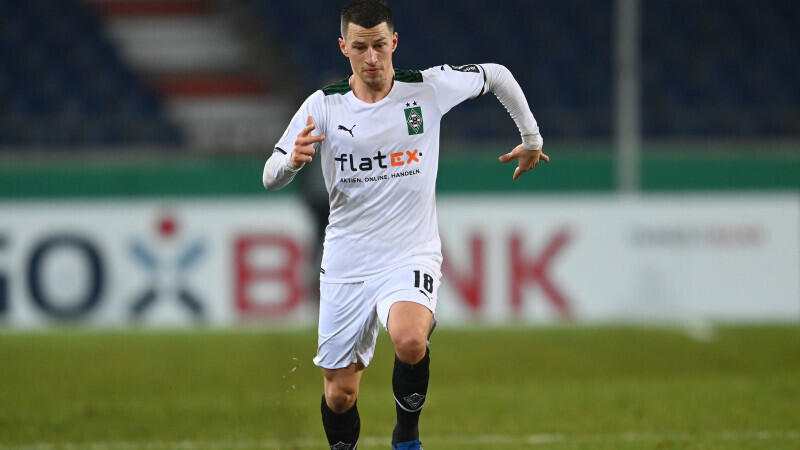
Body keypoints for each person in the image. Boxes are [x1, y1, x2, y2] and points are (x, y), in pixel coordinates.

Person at [262, 1, 548, 448]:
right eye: (361, 47)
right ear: (344, 48)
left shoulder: (427, 88)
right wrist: (291, 164)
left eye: (380, 45)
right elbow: (269, 174)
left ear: (394, 42)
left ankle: (407, 436)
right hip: (347, 261)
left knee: (410, 339)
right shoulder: (323, 106)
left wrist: (531, 138)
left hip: (409, 251)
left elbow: (496, 74)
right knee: (340, 394)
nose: (372, 57)